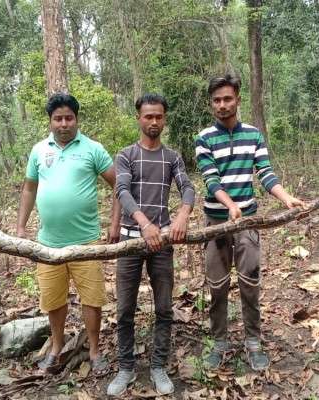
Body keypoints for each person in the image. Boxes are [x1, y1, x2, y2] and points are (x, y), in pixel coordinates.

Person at [194, 74, 306, 371]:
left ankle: (253, 341)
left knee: (250, 282)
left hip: (248, 222)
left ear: (238, 100)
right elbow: (211, 180)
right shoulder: (204, 138)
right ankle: (219, 341)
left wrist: (287, 198)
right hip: (216, 223)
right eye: (216, 100)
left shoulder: (254, 135)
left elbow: (266, 173)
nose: (222, 105)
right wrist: (230, 205)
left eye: (227, 99)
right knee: (217, 285)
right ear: (211, 104)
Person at [16, 93, 120, 374]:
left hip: (86, 241)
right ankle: (57, 348)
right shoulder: (39, 151)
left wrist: (114, 223)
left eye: (69, 118)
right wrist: (21, 227)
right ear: (50, 121)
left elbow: (119, 185)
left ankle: (96, 351)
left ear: (77, 119)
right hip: (48, 245)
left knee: (93, 299)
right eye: (58, 118)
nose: (64, 124)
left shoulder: (93, 149)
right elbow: (29, 188)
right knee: (53, 299)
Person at [106, 94, 195, 396]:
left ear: (164, 119)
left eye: (158, 116)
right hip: (131, 242)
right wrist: (143, 224)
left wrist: (182, 215)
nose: (154, 122)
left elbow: (187, 187)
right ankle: (126, 368)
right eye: (148, 116)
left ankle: (158, 366)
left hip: (163, 242)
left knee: (164, 307)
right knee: (124, 309)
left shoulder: (173, 157)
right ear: (139, 118)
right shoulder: (126, 155)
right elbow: (122, 190)